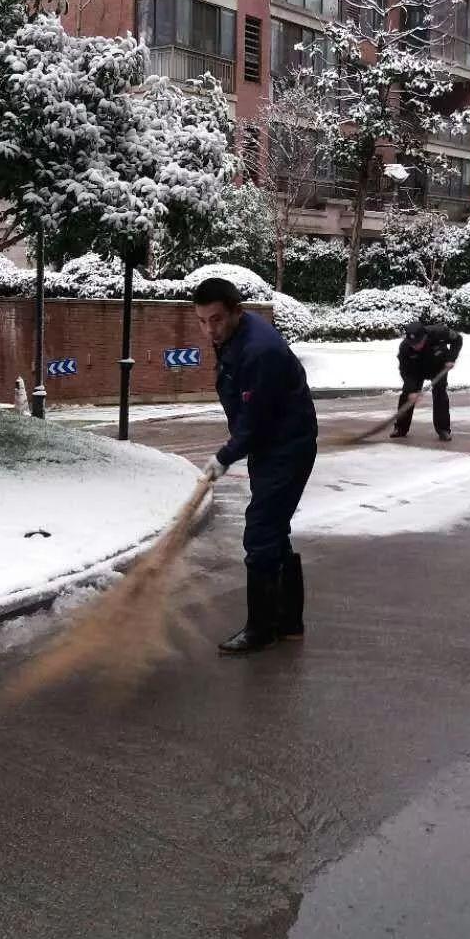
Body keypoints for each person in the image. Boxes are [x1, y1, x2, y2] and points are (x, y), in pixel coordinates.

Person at [194, 277, 318, 655]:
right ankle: (289, 623)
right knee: (274, 531)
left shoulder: (259, 351)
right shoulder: (235, 339)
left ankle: (261, 629)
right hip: (271, 446)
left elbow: (254, 419)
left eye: (216, 319)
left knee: (261, 533)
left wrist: (223, 458)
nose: (209, 329)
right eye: (202, 321)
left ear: (236, 311)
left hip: (286, 447)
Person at [391, 320, 463, 442]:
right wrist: (412, 390)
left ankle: (443, 429)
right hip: (416, 370)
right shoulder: (404, 348)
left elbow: (458, 339)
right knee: (407, 395)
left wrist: (451, 358)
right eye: (412, 344)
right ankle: (400, 428)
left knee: (440, 393)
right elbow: (405, 372)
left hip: (438, 366)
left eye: (418, 342)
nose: (416, 346)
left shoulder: (439, 332)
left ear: (424, 336)